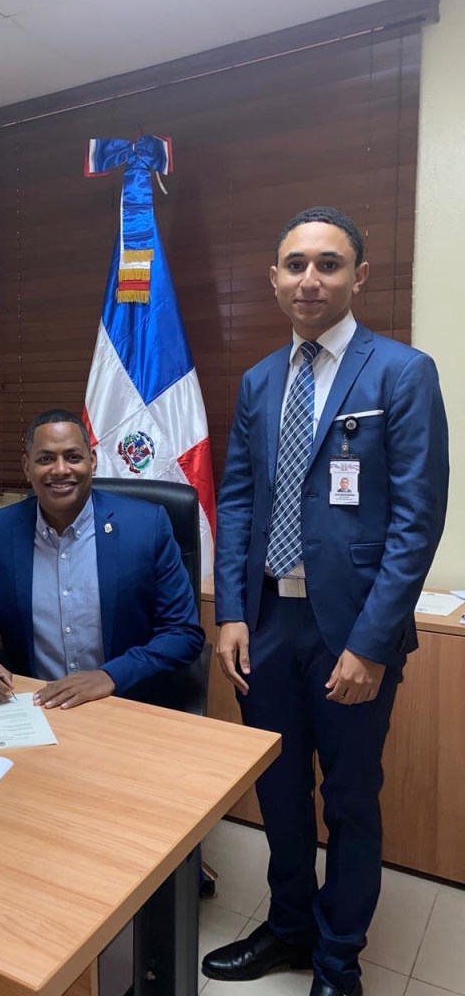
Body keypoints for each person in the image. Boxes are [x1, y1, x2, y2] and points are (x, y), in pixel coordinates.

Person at [201, 208, 448, 996]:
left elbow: (417, 522)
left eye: (329, 264)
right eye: (296, 264)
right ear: (274, 278)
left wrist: (372, 645)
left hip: (353, 628)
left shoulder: (402, 373)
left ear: (358, 277)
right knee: (278, 791)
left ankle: (338, 961)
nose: (310, 279)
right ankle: (288, 927)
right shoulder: (258, 381)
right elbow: (239, 500)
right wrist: (232, 612)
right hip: (269, 621)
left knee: (348, 800)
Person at [0, 409, 204, 709]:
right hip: (34, 706)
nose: (60, 470)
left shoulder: (146, 526)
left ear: (92, 461)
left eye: (73, 457)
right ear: (26, 467)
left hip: (126, 703)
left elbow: (182, 633)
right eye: (45, 459)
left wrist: (110, 676)